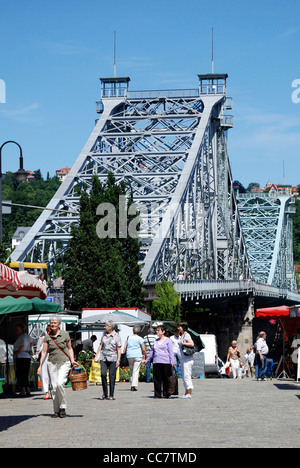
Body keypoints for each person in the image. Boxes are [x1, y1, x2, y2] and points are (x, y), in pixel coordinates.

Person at [37, 315, 77, 418]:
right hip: (51, 363)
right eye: (51, 322)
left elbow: (70, 348)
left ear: (59, 324)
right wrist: (40, 366)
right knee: (54, 387)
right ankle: (56, 410)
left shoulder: (65, 334)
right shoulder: (47, 336)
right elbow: (44, 352)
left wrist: (72, 360)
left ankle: (62, 407)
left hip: (64, 362)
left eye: (54, 322)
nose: (52, 324)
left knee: (60, 384)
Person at [94, 320, 122, 400]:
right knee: (103, 374)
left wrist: (118, 360)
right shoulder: (104, 335)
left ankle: (111, 394)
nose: (104, 327)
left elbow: (119, 349)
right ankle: (105, 393)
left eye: (105, 326)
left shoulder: (117, 336)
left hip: (113, 358)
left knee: (111, 376)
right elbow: (101, 345)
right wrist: (97, 355)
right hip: (103, 357)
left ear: (110, 327)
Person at [145, 325, 174, 398]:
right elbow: (152, 351)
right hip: (156, 362)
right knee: (157, 379)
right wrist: (147, 360)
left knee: (166, 378)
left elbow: (171, 352)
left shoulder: (168, 340)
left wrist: (172, 361)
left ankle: (166, 393)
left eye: (158, 330)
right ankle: (157, 394)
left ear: (163, 332)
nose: (157, 332)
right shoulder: (155, 341)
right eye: (156, 330)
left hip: (165, 362)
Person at [123, 326, 146, 391]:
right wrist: (144, 355)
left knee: (131, 370)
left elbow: (125, 347)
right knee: (136, 370)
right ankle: (134, 385)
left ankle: (132, 383)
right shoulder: (140, 338)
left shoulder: (128, 338)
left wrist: (124, 353)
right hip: (138, 355)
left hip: (129, 355)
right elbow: (143, 348)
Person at [13, 323, 34, 397]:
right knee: (25, 374)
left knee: (21, 374)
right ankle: (27, 389)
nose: (16, 331)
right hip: (26, 356)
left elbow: (22, 345)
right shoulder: (26, 336)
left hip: (21, 356)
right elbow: (32, 342)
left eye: (17, 329)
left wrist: (18, 352)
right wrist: (29, 349)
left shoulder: (22, 336)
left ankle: (23, 389)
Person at [178, 321, 194, 398]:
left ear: (183, 327)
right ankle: (186, 392)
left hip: (187, 359)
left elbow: (191, 344)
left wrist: (183, 343)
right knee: (184, 375)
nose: (178, 328)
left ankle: (189, 393)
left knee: (187, 375)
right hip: (183, 359)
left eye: (179, 327)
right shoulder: (182, 335)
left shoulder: (187, 335)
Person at [36, 324, 52, 399]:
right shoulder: (42, 338)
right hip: (45, 357)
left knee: (53, 375)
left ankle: (52, 391)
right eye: (49, 331)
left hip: (53, 357)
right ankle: (47, 392)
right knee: (45, 375)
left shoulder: (55, 338)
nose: (49, 332)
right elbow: (38, 349)